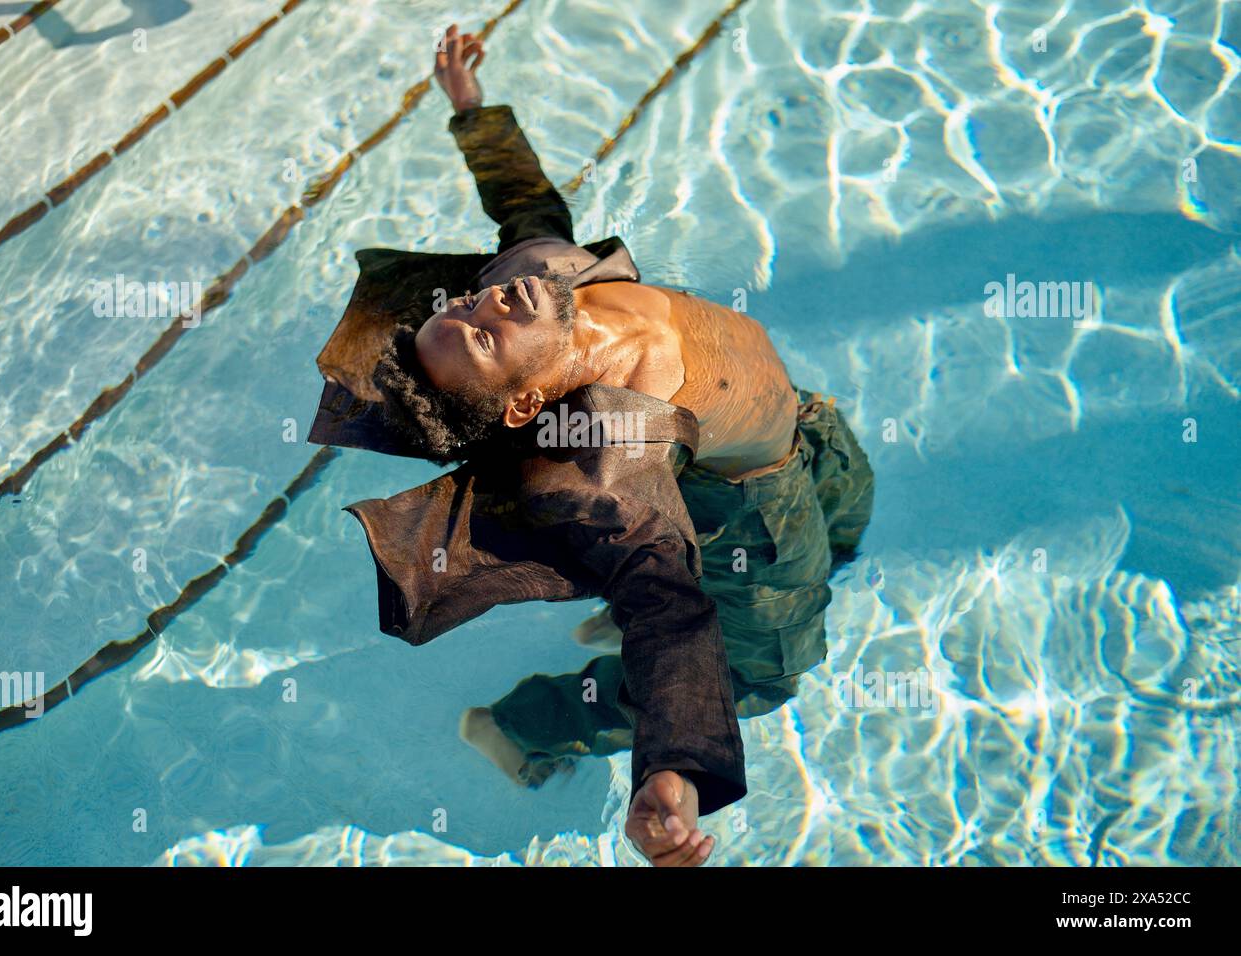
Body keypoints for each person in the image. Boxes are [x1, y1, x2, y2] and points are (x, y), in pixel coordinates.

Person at [307, 24, 874, 866]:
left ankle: (617, 620)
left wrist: (473, 112)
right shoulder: (609, 445)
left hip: (810, 430)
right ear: (529, 399)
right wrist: (674, 770)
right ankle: (523, 728)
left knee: (848, 532)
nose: (487, 308)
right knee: (764, 669)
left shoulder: (536, 287)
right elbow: (668, 608)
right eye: (482, 337)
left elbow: (527, 209)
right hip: (748, 507)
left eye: (463, 309)